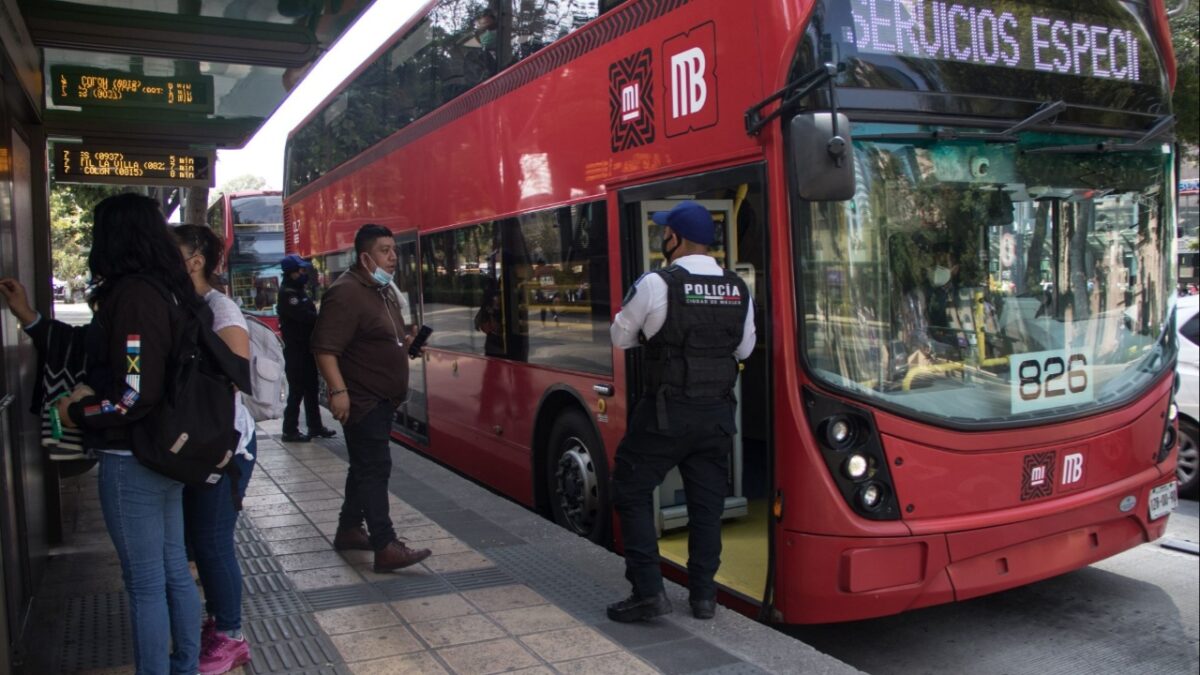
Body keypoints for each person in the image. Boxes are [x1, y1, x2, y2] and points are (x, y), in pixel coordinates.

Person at [35, 193, 202, 674]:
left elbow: (133, 393)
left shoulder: (132, 300)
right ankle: (184, 666)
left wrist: (78, 412)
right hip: (165, 453)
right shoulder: (169, 290)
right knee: (172, 571)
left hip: (134, 459)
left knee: (146, 583)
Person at [606, 201, 755, 623]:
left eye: (665, 231)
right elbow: (744, 349)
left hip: (666, 415)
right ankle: (703, 597)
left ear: (677, 238)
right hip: (716, 417)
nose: (662, 237)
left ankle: (649, 592)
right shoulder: (736, 287)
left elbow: (621, 337)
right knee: (706, 506)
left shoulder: (657, 283)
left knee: (631, 490)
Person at [311, 224, 432, 572]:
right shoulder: (345, 293)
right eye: (384, 250)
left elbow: (380, 339)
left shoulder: (380, 290)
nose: (393, 257)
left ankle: (349, 529)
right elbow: (324, 349)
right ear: (365, 257)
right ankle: (385, 543)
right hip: (363, 400)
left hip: (381, 400)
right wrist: (338, 391)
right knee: (375, 468)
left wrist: (405, 346)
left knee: (364, 468)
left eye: (394, 249)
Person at [172, 225, 256, 675]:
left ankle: (230, 635)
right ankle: (217, 624)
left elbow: (235, 375)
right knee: (199, 541)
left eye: (175, 252)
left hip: (223, 444)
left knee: (212, 542)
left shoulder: (219, 308)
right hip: (198, 444)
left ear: (197, 258)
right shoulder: (182, 304)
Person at [277, 254, 337, 442]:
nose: (304, 273)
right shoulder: (289, 294)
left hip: (306, 349)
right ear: (291, 273)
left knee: (311, 389)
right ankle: (290, 430)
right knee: (297, 391)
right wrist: (320, 316)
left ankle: (315, 426)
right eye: (301, 270)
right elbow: (307, 317)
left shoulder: (299, 291)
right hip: (296, 351)